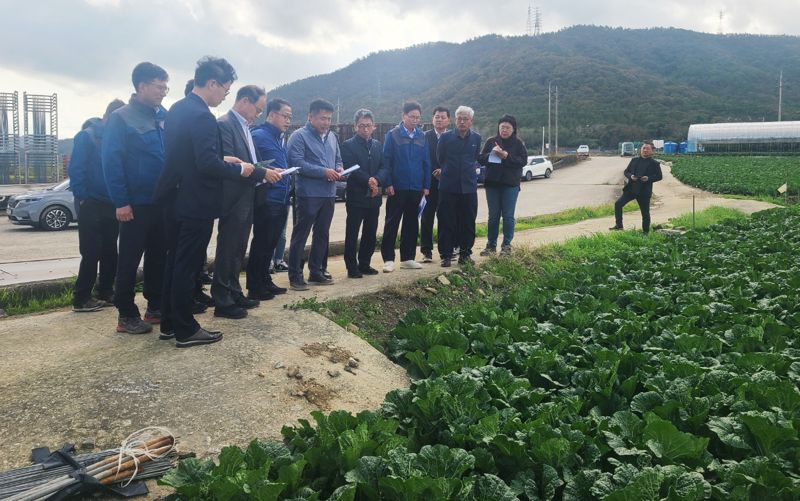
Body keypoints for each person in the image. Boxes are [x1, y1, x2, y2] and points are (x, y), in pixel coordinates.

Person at [155, 56, 270, 348]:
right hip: (196, 202)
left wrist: (223, 159)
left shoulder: (179, 109)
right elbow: (206, 164)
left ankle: (169, 321)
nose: (224, 96)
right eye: (225, 90)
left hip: (175, 198)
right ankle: (186, 329)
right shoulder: (203, 115)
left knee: (174, 263)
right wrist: (238, 168)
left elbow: (190, 157)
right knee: (187, 265)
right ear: (212, 83)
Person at [102, 62, 169, 334]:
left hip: (161, 202)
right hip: (135, 204)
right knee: (129, 260)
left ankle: (155, 306)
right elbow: (111, 162)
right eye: (159, 86)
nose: (164, 91)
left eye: (166, 87)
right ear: (142, 86)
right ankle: (126, 314)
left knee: (158, 257)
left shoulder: (162, 115)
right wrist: (121, 201)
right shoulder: (122, 117)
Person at [211, 85, 280, 320]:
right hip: (233, 196)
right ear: (244, 102)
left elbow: (252, 161)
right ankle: (222, 299)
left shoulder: (245, 127)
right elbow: (233, 164)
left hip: (247, 196)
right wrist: (262, 174)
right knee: (228, 247)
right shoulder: (224, 125)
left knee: (239, 248)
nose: (258, 115)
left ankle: (234, 291)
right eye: (258, 110)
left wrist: (269, 168)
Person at [70, 98, 125, 312]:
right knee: (91, 252)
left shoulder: (117, 139)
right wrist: (83, 198)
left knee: (111, 251)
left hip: (112, 203)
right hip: (91, 203)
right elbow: (76, 171)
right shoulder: (87, 136)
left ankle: (105, 292)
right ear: (107, 117)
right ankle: (81, 298)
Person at [286, 99, 343, 291]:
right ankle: (295, 275)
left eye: (328, 119)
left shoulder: (332, 137)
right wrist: (324, 172)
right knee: (300, 234)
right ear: (310, 117)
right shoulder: (298, 136)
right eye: (322, 119)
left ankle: (316, 271)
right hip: (308, 194)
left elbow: (337, 159)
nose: (326, 123)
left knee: (322, 234)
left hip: (328, 194)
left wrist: (339, 168)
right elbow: (297, 163)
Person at [247, 98, 294, 298]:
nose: (288, 121)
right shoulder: (258, 135)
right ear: (271, 114)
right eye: (285, 116)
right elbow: (250, 164)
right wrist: (267, 170)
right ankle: (255, 286)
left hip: (282, 198)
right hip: (267, 198)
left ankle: (265, 279)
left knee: (271, 243)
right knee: (262, 242)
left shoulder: (278, 138)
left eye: (290, 117)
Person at [380, 101, 431, 272]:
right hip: (397, 186)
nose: (415, 120)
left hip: (416, 187)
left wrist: (426, 185)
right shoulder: (392, 135)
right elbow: (386, 161)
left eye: (417, 117)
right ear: (403, 116)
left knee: (411, 223)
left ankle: (407, 258)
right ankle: (388, 259)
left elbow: (426, 162)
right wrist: (388, 183)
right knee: (392, 222)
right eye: (412, 117)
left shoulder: (421, 136)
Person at [341, 109, 389, 278]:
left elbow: (384, 167)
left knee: (370, 232)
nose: (365, 129)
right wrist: (368, 180)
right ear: (355, 127)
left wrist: (376, 179)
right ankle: (351, 267)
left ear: (374, 126)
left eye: (368, 126)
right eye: (361, 126)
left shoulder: (377, 145)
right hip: (356, 196)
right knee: (352, 233)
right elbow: (351, 168)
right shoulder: (348, 145)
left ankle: (365, 264)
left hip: (374, 197)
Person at [436, 105, 481, 267]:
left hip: (468, 187)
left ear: (471, 121)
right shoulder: (446, 138)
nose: (462, 121)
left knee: (468, 221)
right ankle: (446, 255)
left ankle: (465, 254)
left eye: (465, 119)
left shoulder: (476, 138)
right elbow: (440, 158)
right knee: (446, 221)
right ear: (455, 120)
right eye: (459, 118)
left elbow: (475, 158)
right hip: (448, 186)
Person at [478, 114, 528, 256]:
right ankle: (491, 245)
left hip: (510, 184)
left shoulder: (518, 143)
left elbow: (523, 161)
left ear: (513, 129)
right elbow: (481, 159)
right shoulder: (491, 141)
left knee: (508, 216)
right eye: (502, 127)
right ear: (498, 128)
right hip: (492, 184)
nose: (504, 130)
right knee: (493, 216)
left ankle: (506, 246)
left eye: (507, 128)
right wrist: (491, 155)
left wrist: (506, 156)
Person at [610, 142, 663, 233]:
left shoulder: (654, 163)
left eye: (647, 149)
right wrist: (631, 176)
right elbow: (626, 171)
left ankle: (645, 232)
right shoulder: (634, 160)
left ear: (652, 151)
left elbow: (659, 176)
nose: (645, 150)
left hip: (644, 191)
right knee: (618, 204)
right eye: (643, 148)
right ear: (640, 149)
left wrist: (648, 178)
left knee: (645, 213)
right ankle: (619, 225)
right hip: (631, 189)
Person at [420, 106, 450, 262]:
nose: (439, 119)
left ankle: (446, 251)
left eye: (442, 117)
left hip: (447, 184)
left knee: (445, 217)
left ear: (448, 120)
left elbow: (454, 158)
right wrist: (434, 171)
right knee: (427, 218)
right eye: (437, 116)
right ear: (432, 119)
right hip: (428, 184)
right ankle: (426, 251)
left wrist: (443, 170)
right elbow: (422, 159)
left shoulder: (452, 137)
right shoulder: (425, 136)